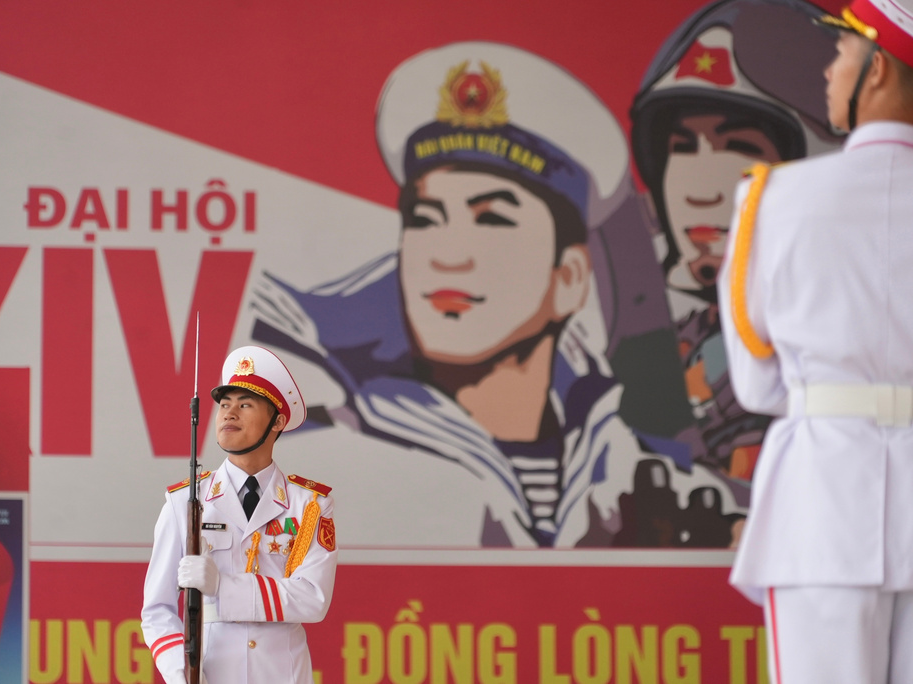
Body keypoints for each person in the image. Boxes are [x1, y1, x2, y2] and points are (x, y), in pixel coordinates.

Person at [249, 41, 742, 548]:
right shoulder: (321, 459)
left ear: (569, 278)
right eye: (426, 219)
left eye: (491, 219)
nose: (447, 256)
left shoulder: (632, 474)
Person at [718, 0, 913, 679]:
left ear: (879, 68)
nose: (830, 68)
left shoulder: (775, 199)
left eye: (843, 52)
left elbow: (756, 382)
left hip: (823, 502)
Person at [631, 0, 844, 481]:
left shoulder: (852, 322)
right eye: (682, 148)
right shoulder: (627, 329)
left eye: (741, 146)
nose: (701, 190)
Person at [141, 346, 337, 683]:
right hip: (210, 674)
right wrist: (182, 673)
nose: (229, 414)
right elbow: (156, 611)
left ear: (277, 421)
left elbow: (313, 599)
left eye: (245, 405)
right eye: (224, 405)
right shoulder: (184, 500)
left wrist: (223, 586)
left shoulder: (309, 504)